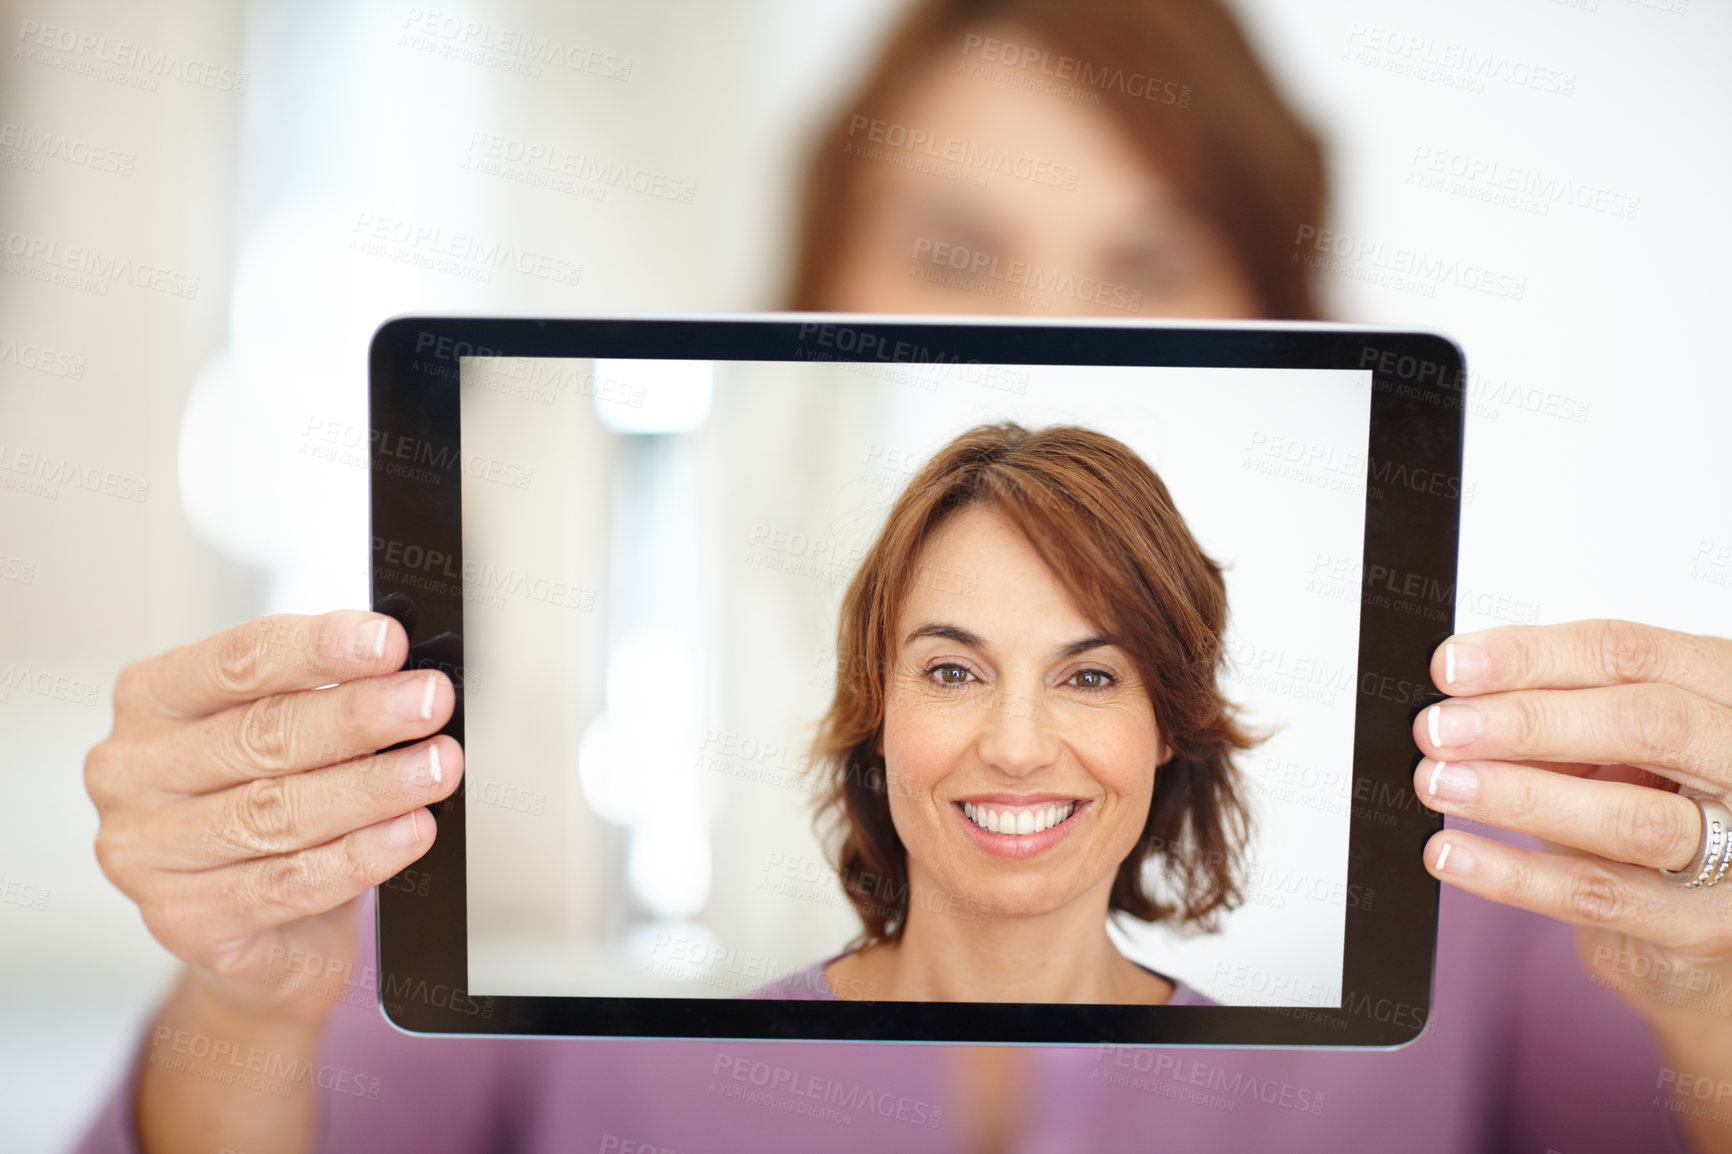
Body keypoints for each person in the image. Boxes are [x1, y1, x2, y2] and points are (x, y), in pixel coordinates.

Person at [74, 0, 1732, 1151]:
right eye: (953, 251)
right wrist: (248, 997)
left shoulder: (1530, 865)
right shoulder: (448, 826)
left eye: (1147, 262)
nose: (1053, 324)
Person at [751, 422, 1255, 1005]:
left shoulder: (1266, 1085)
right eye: (953, 672)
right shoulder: (713, 1067)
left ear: (1169, 723)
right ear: (878, 710)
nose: (1016, 752)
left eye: (1089, 678)